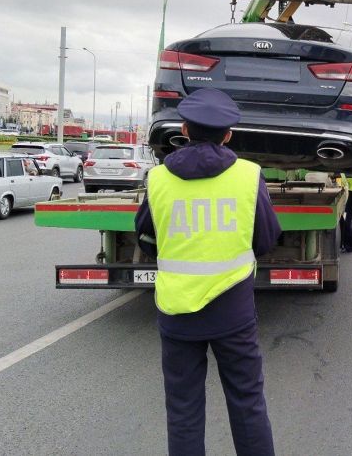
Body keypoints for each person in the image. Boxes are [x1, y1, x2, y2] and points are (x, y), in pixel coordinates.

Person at [135, 88, 281, 456]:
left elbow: (146, 238)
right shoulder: (249, 176)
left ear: (184, 129)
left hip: (177, 312)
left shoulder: (158, 180)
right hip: (233, 313)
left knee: (183, 411)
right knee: (247, 403)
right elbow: (266, 238)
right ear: (228, 134)